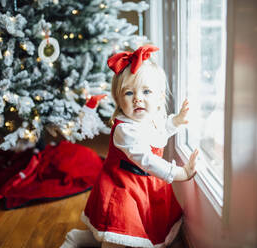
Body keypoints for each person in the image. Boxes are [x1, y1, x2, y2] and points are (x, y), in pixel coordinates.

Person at [60, 45, 198, 248]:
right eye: (129, 93)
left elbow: (158, 135)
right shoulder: (125, 130)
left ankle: (80, 239)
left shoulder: (151, 118)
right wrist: (180, 173)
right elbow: (147, 160)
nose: (138, 98)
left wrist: (176, 121)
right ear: (119, 100)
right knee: (119, 234)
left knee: (139, 232)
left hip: (142, 185)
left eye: (146, 91)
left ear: (160, 98)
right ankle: (81, 240)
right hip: (122, 187)